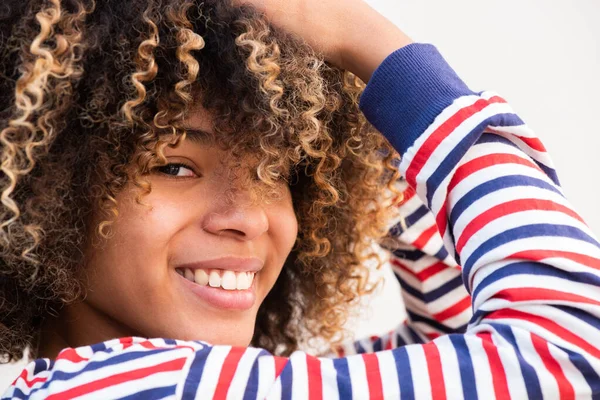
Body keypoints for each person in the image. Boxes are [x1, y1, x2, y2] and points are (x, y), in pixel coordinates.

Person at [3, 0, 600, 399]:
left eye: (278, 168)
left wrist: (342, 138)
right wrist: (367, 48)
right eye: (177, 165)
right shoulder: (139, 387)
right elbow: (572, 350)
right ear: (41, 189)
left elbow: (454, 328)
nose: (249, 216)